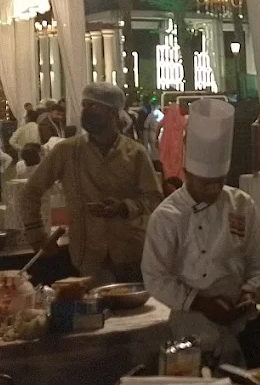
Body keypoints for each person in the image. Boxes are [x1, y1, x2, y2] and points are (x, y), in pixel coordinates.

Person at [142, 98, 260, 367]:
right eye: (205, 183)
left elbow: (258, 259)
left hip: (241, 318)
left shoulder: (241, 204)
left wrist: (249, 292)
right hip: (190, 321)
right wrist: (199, 303)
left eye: (219, 182)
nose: (213, 189)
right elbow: (155, 277)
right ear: (187, 174)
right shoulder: (167, 216)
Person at [21, 83, 163, 286]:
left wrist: (124, 207)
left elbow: (154, 198)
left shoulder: (135, 153)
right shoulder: (67, 151)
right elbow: (31, 192)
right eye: (84, 105)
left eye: (94, 106)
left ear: (113, 113)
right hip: (88, 256)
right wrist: (36, 235)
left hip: (132, 254)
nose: (86, 111)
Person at [159, 102, 188, 180]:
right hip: (178, 144)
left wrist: (156, 139)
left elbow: (158, 127)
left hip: (166, 144)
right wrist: (185, 138)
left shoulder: (166, 119)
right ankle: (177, 177)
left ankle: (168, 177)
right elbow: (187, 129)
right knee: (177, 161)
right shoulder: (182, 119)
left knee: (167, 161)